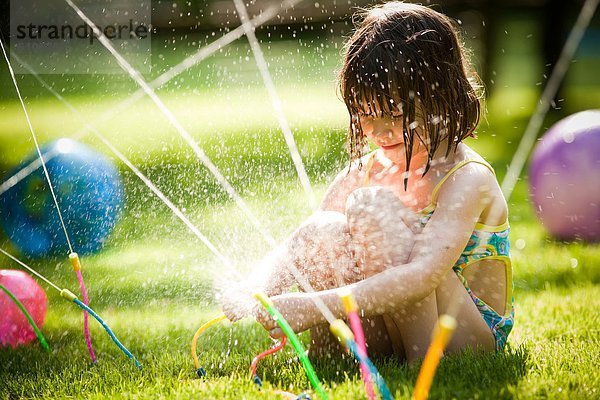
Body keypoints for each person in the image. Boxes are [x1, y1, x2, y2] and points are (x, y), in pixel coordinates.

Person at [222, 1, 514, 363]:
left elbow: (421, 277)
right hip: (390, 324)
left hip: (464, 338)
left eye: (392, 114)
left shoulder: (467, 179)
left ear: (441, 96)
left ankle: (420, 363)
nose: (376, 131)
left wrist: (314, 306)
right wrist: (256, 289)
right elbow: (305, 244)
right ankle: (329, 358)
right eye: (364, 114)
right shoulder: (368, 169)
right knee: (323, 229)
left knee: (370, 207)